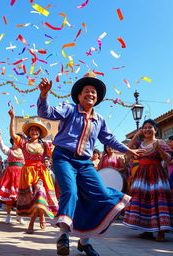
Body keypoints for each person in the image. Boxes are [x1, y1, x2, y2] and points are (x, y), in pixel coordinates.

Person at [37, 72, 139, 256]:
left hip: (85, 163)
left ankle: (85, 241)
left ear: (97, 97)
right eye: (86, 91)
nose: (90, 94)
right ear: (79, 95)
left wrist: (127, 150)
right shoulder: (69, 109)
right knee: (71, 192)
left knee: (99, 195)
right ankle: (63, 236)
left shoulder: (99, 120)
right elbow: (47, 113)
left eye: (93, 92)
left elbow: (109, 139)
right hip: (64, 158)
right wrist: (44, 95)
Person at [8, 107, 58, 234]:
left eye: (36, 129)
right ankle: (41, 216)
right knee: (32, 199)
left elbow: (54, 155)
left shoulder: (45, 145)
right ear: (29, 132)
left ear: (40, 133)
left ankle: (31, 224)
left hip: (41, 173)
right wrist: (12, 118)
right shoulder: (23, 143)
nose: (34, 131)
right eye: (32, 129)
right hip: (27, 173)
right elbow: (13, 135)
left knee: (40, 194)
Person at [123, 119, 173, 242]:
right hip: (141, 175)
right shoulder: (139, 145)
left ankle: (161, 231)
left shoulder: (160, 142)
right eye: (144, 128)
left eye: (150, 127)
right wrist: (136, 135)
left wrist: (159, 150)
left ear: (155, 130)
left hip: (156, 174)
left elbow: (168, 158)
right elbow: (127, 152)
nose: (147, 129)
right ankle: (147, 230)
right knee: (144, 201)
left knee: (158, 200)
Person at [0, 127, 25, 224]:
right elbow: (2, 146)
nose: (16, 142)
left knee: (20, 197)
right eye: (15, 140)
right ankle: (8, 215)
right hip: (10, 175)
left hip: (21, 176)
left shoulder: (25, 152)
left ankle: (19, 215)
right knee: (9, 196)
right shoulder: (9, 150)